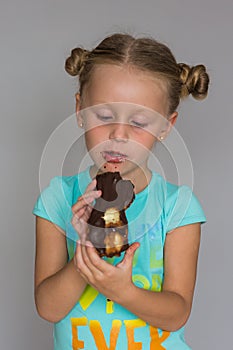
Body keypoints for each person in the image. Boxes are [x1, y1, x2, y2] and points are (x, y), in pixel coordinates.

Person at [33, 33, 209, 350]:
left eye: (140, 122)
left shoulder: (177, 206)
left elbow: (177, 313)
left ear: (166, 126)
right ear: (80, 110)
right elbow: (48, 307)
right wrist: (85, 253)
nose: (118, 134)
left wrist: (123, 290)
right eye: (104, 116)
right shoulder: (57, 199)